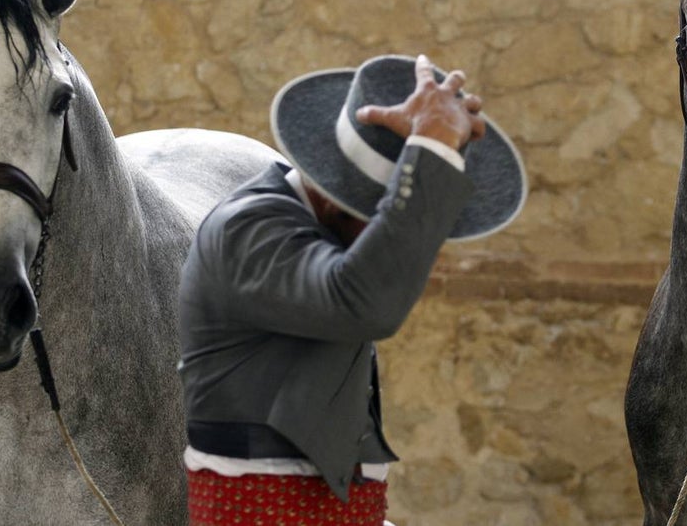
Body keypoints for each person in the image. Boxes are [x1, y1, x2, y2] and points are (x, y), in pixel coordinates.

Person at [178, 54, 526, 526]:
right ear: (332, 194)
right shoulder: (248, 228)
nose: (398, 244)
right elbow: (362, 303)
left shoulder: (311, 228)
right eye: (384, 221)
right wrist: (433, 147)